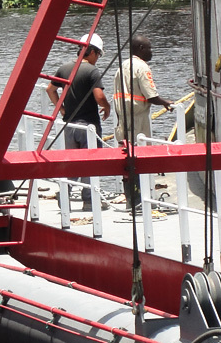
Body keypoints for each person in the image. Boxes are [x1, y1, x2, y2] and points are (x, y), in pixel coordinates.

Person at [46, 32, 110, 210]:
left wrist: (62, 109)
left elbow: (50, 89)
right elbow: (99, 96)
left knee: (73, 163)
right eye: (98, 54)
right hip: (88, 126)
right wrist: (107, 107)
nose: (97, 58)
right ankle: (89, 201)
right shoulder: (91, 70)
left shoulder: (65, 68)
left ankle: (64, 193)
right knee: (91, 164)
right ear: (92, 52)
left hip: (69, 125)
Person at [112, 34, 173, 209]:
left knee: (126, 157)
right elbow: (151, 95)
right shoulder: (141, 67)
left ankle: (131, 199)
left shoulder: (122, 66)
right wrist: (166, 103)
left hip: (122, 118)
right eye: (149, 48)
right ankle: (140, 201)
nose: (151, 52)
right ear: (140, 49)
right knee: (140, 157)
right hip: (138, 118)